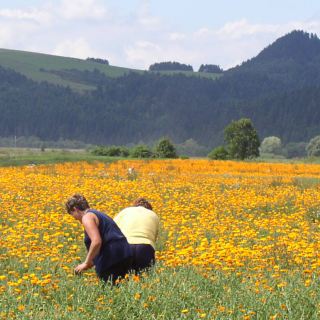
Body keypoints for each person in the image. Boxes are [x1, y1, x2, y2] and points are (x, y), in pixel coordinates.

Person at [65, 194, 132, 284]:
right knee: (121, 289)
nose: (75, 219)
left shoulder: (87, 217)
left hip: (111, 258)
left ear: (75, 209)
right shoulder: (99, 214)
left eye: (72, 215)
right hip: (124, 253)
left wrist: (86, 263)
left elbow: (96, 242)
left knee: (110, 291)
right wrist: (91, 262)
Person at [114, 198, 160, 273]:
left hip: (125, 246)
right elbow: (154, 238)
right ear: (149, 208)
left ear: (134, 205)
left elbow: (113, 228)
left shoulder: (125, 211)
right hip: (145, 247)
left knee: (122, 279)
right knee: (144, 279)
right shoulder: (154, 215)